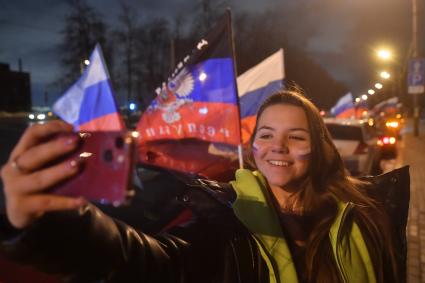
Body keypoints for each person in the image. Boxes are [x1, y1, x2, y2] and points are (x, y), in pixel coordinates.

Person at [0, 90, 408, 283]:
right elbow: (148, 261)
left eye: (296, 137)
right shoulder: (223, 221)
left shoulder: (369, 211)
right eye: (265, 135)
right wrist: (54, 225)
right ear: (253, 147)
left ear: (317, 147)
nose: (277, 147)